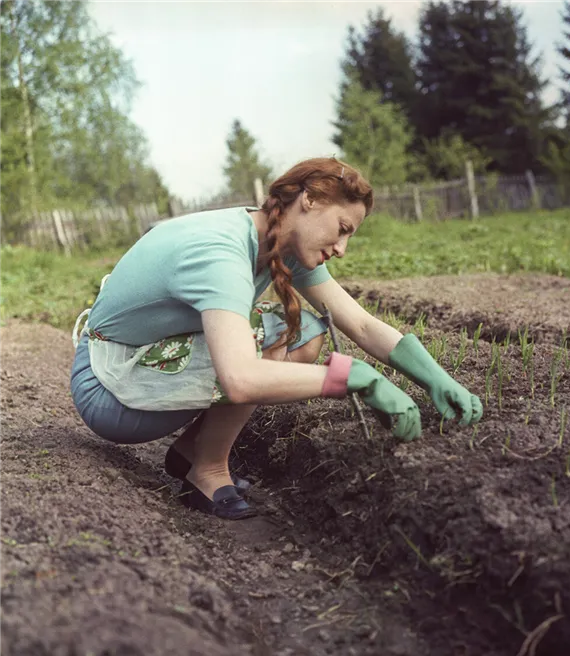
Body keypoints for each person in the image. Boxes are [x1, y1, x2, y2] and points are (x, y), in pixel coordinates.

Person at [70, 157, 483, 521]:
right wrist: (354, 376)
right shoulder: (220, 251)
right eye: (341, 229)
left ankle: (192, 451)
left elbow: (359, 324)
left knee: (302, 330)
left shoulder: (279, 241)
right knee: (263, 339)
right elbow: (241, 379)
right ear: (310, 200)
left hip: (145, 363)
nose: (342, 248)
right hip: (109, 390)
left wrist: (434, 378)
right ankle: (208, 470)